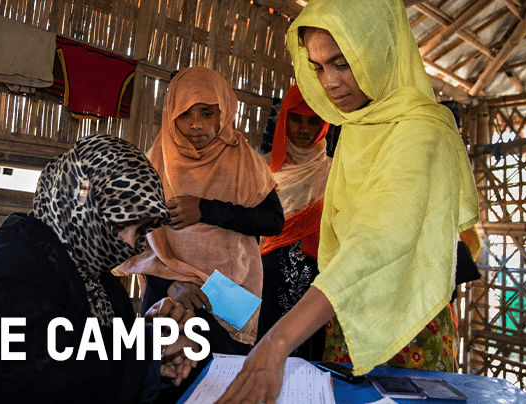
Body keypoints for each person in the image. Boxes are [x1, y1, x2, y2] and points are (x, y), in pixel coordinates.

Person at [216, 0, 479, 402]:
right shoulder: (357, 128)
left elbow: (379, 240)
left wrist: (275, 342)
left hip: (405, 325)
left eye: (343, 62)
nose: (330, 82)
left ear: (379, 52)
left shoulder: (423, 132)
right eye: (318, 67)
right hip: (344, 314)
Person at [0, 134, 198, 404]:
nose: (129, 244)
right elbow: (42, 371)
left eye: (139, 230)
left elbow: (96, 359)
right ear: (80, 201)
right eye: (119, 225)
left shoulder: (98, 282)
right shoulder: (4, 269)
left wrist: (150, 353)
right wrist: (147, 346)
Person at [117, 66, 283, 358]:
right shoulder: (152, 166)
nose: (196, 125)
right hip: (169, 294)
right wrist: (170, 284)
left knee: (223, 377)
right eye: (185, 114)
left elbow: (273, 220)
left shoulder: (244, 160)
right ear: (171, 116)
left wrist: (206, 210)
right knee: (162, 378)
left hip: (229, 294)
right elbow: (132, 243)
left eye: (207, 113)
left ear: (224, 112)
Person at [256, 85, 331, 361]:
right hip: (266, 286)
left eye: (314, 121)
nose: (303, 129)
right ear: (283, 119)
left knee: (312, 367)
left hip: (319, 289)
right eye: (296, 118)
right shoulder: (261, 171)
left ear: (325, 125)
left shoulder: (336, 173)